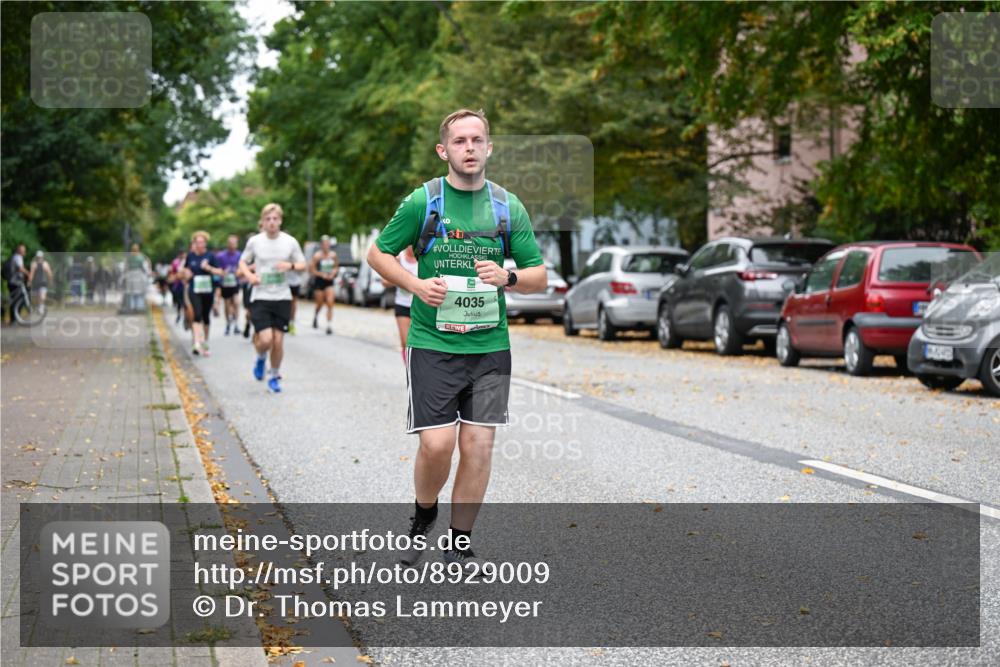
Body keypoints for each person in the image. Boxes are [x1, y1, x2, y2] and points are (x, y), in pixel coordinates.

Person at [366, 109, 547, 571]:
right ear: (444, 151)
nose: (470, 147)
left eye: (477, 140)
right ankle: (424, 514)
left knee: (479, 446)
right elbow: (378, 253)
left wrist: (507, 276)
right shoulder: (423, 202)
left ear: (489, 147)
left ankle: (459, 544)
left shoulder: (508, 206)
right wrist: (415, 285)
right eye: (460, 141)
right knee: (437, 445)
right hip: (432, 343)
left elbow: (538, 276)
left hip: (489, 348)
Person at [239, 203, 306, 393]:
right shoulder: (255, 241)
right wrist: (250, 276)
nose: (271, 222)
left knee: (278, 341)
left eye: (275, 219)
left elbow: (302, 263)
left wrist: (290, 266)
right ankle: (261, 357)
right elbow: (243, 261)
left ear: (280, 220)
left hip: (282, 296)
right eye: (268, 219)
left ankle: (274, 375)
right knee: (266, 340)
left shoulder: (290, 241)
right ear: (263, 221)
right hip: (260, 296)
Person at [183, 231, 224, 356]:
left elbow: (220, 272)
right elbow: (185, 268)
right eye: (197, 242)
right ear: (194, 243)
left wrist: (209, 268)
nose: (200, 244)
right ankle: (196, 342)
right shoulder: (190, 256)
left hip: (207, 289)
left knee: (205, 317)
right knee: (197, 314)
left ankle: (204, 342)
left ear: (205, 243)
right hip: (194, 289)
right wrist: (186, 273)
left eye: (202, 242)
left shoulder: (211, 256)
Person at [381, 245, 419, 363]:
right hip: (402, 304)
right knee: (405, 342)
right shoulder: (399, 259)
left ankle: (416, 368)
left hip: (419, 306)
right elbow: (384, 282)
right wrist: (401, 278)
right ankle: (408, 368)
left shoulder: (422, 258)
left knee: (418, 343)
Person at [309, 234, 339, 335]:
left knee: (330, 303)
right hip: (319, 282)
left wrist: (333, 273)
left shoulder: (333, 255)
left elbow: (336, 267)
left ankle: (329, 325)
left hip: (329, 281)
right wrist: (321, 274)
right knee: (320, 304)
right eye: (325, 244)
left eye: (328, 244)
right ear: (321, 245)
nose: (327, 246)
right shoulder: (317, 256)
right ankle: (316, 316)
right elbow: (311, 270)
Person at [215, 234, 243, 336]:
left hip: (235, 282)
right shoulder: (221, 256)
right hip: (225, 283)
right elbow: (217, 269)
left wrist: (239, 271)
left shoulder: (240, 255)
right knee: (227, 304)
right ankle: (228, 324)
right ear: (228, 244)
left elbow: (243, 267)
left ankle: (236, 324)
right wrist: (223, 272)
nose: (232, 245)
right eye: (231, 243)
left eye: (234, 243)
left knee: (236, 302)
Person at [5, 244, 29, 323]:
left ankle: (14, 319)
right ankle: (14, 319)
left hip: (12, 281)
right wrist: (28, 273)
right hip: (15, 282)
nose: (24, 252)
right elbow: (20, 268)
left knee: (15, 300)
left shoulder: (14, 257)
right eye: (23, 250)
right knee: (18, 300)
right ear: (19, 250)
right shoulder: (18, 257)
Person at [168, 249, 188, 324]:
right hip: (177, 284)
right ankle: (179, 314)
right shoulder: (175, 262)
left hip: (185, 284)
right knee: (179, 302)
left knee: (185, 302)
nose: (183, 255)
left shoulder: (187, 261)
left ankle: (185, 316)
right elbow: (172, 272)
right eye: (181, 254)